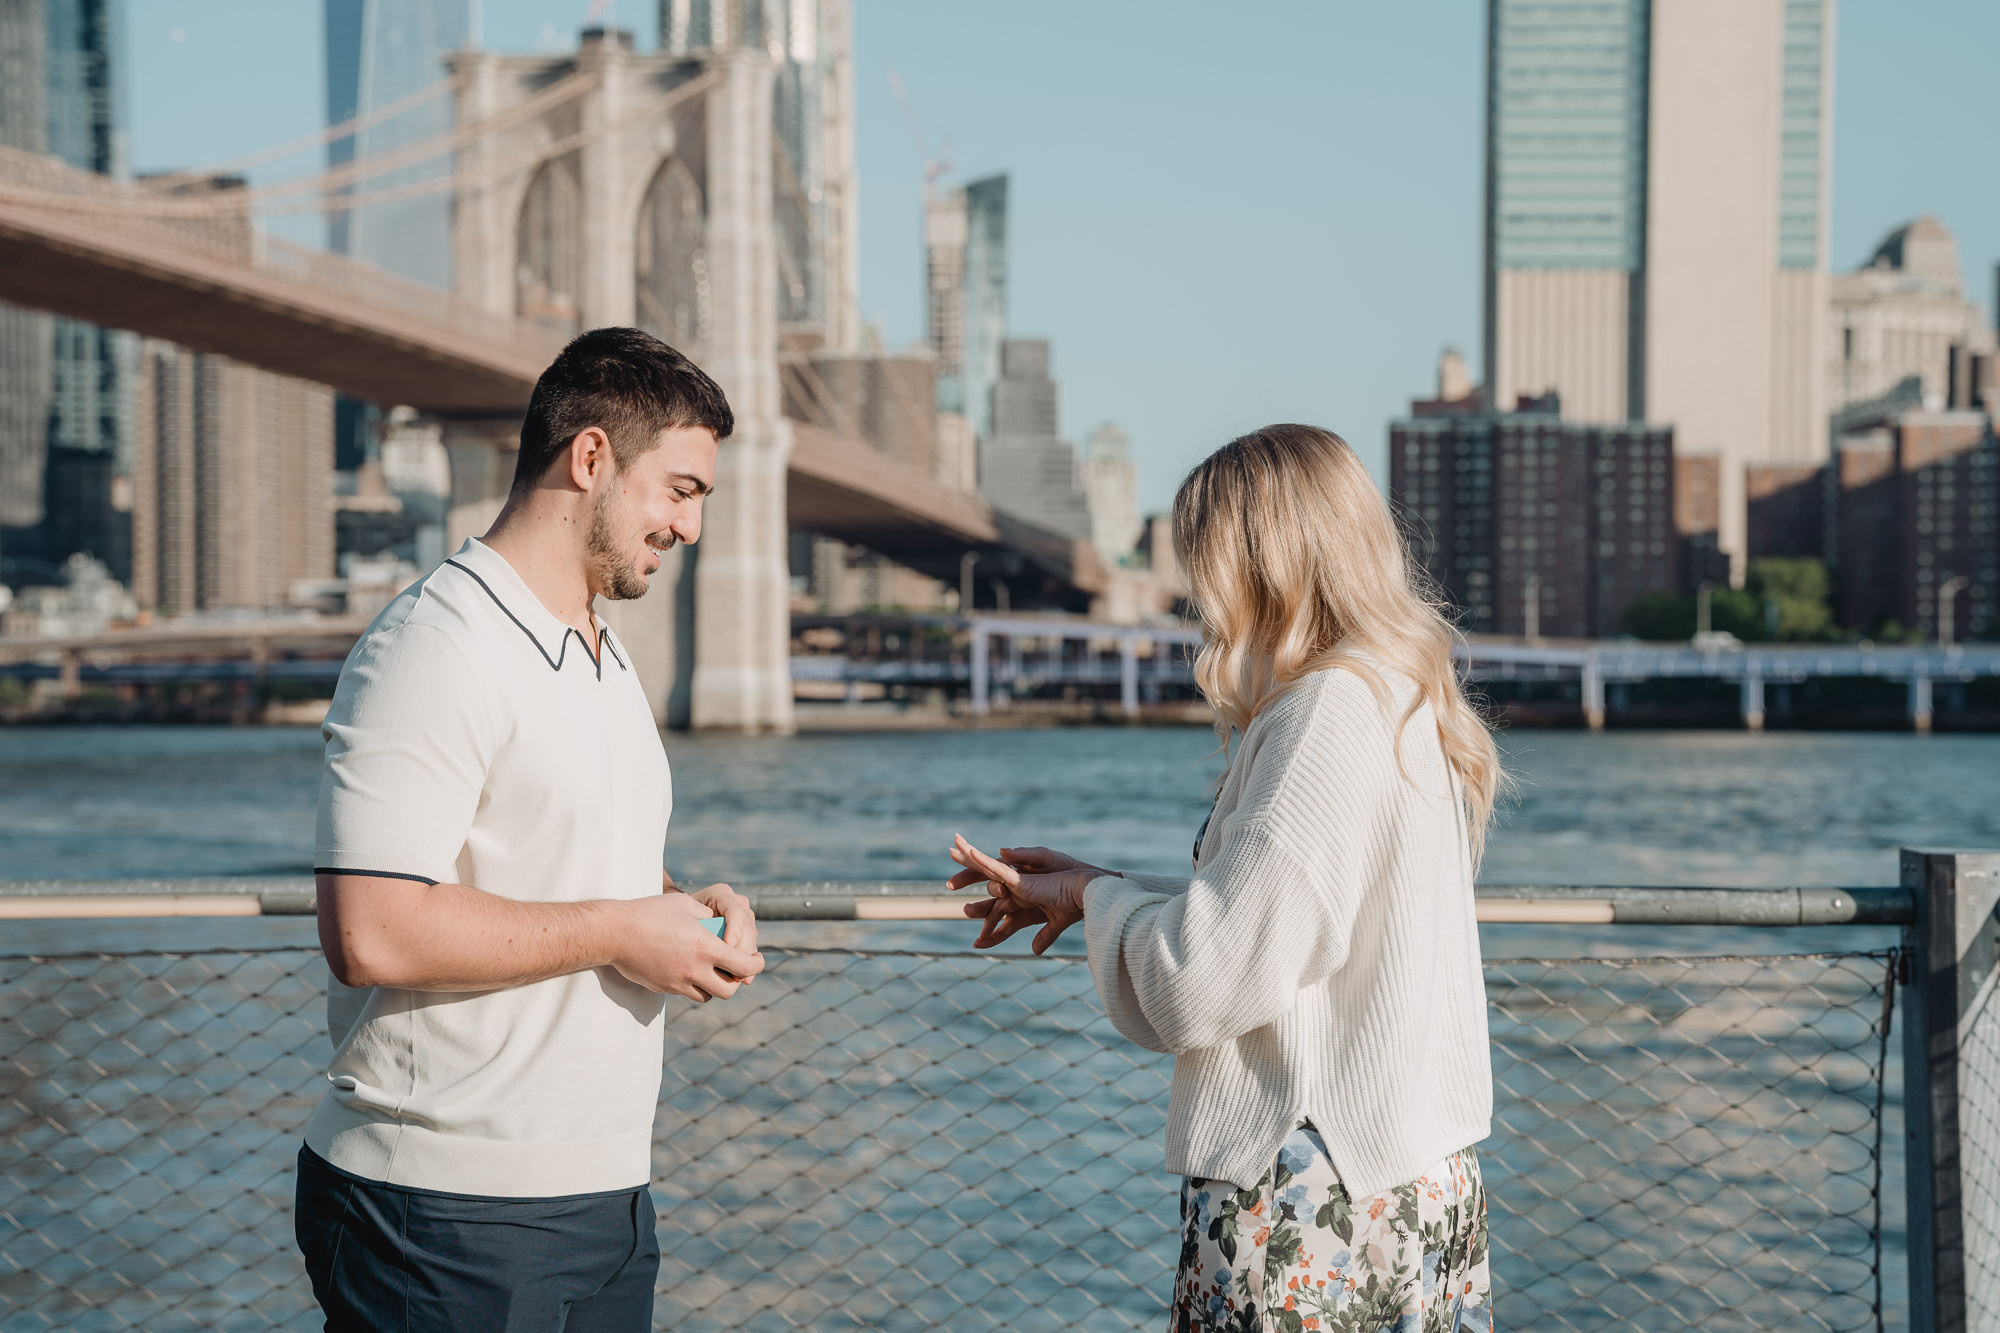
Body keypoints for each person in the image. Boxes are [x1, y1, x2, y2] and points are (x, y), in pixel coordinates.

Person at [948, 424, 1501, 1332]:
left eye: (1204, 563)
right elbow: (1297, 918)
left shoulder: (1324, 711)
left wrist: (1098, 901)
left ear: (1260, 564)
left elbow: (1206, 980)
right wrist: (1102, 884)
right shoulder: (1402, 695)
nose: (1194, 596)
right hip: (1415, 1186)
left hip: (1315, 1203)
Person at [296, 327, 766, 1332]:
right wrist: (618, 930)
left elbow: (564, 857)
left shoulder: (603, 651)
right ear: (591, 457)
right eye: (680, 489)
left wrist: (678, 911)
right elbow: (370, 931)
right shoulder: (435, 647)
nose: (691, 527)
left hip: (605, 1197)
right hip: (442, 1213)